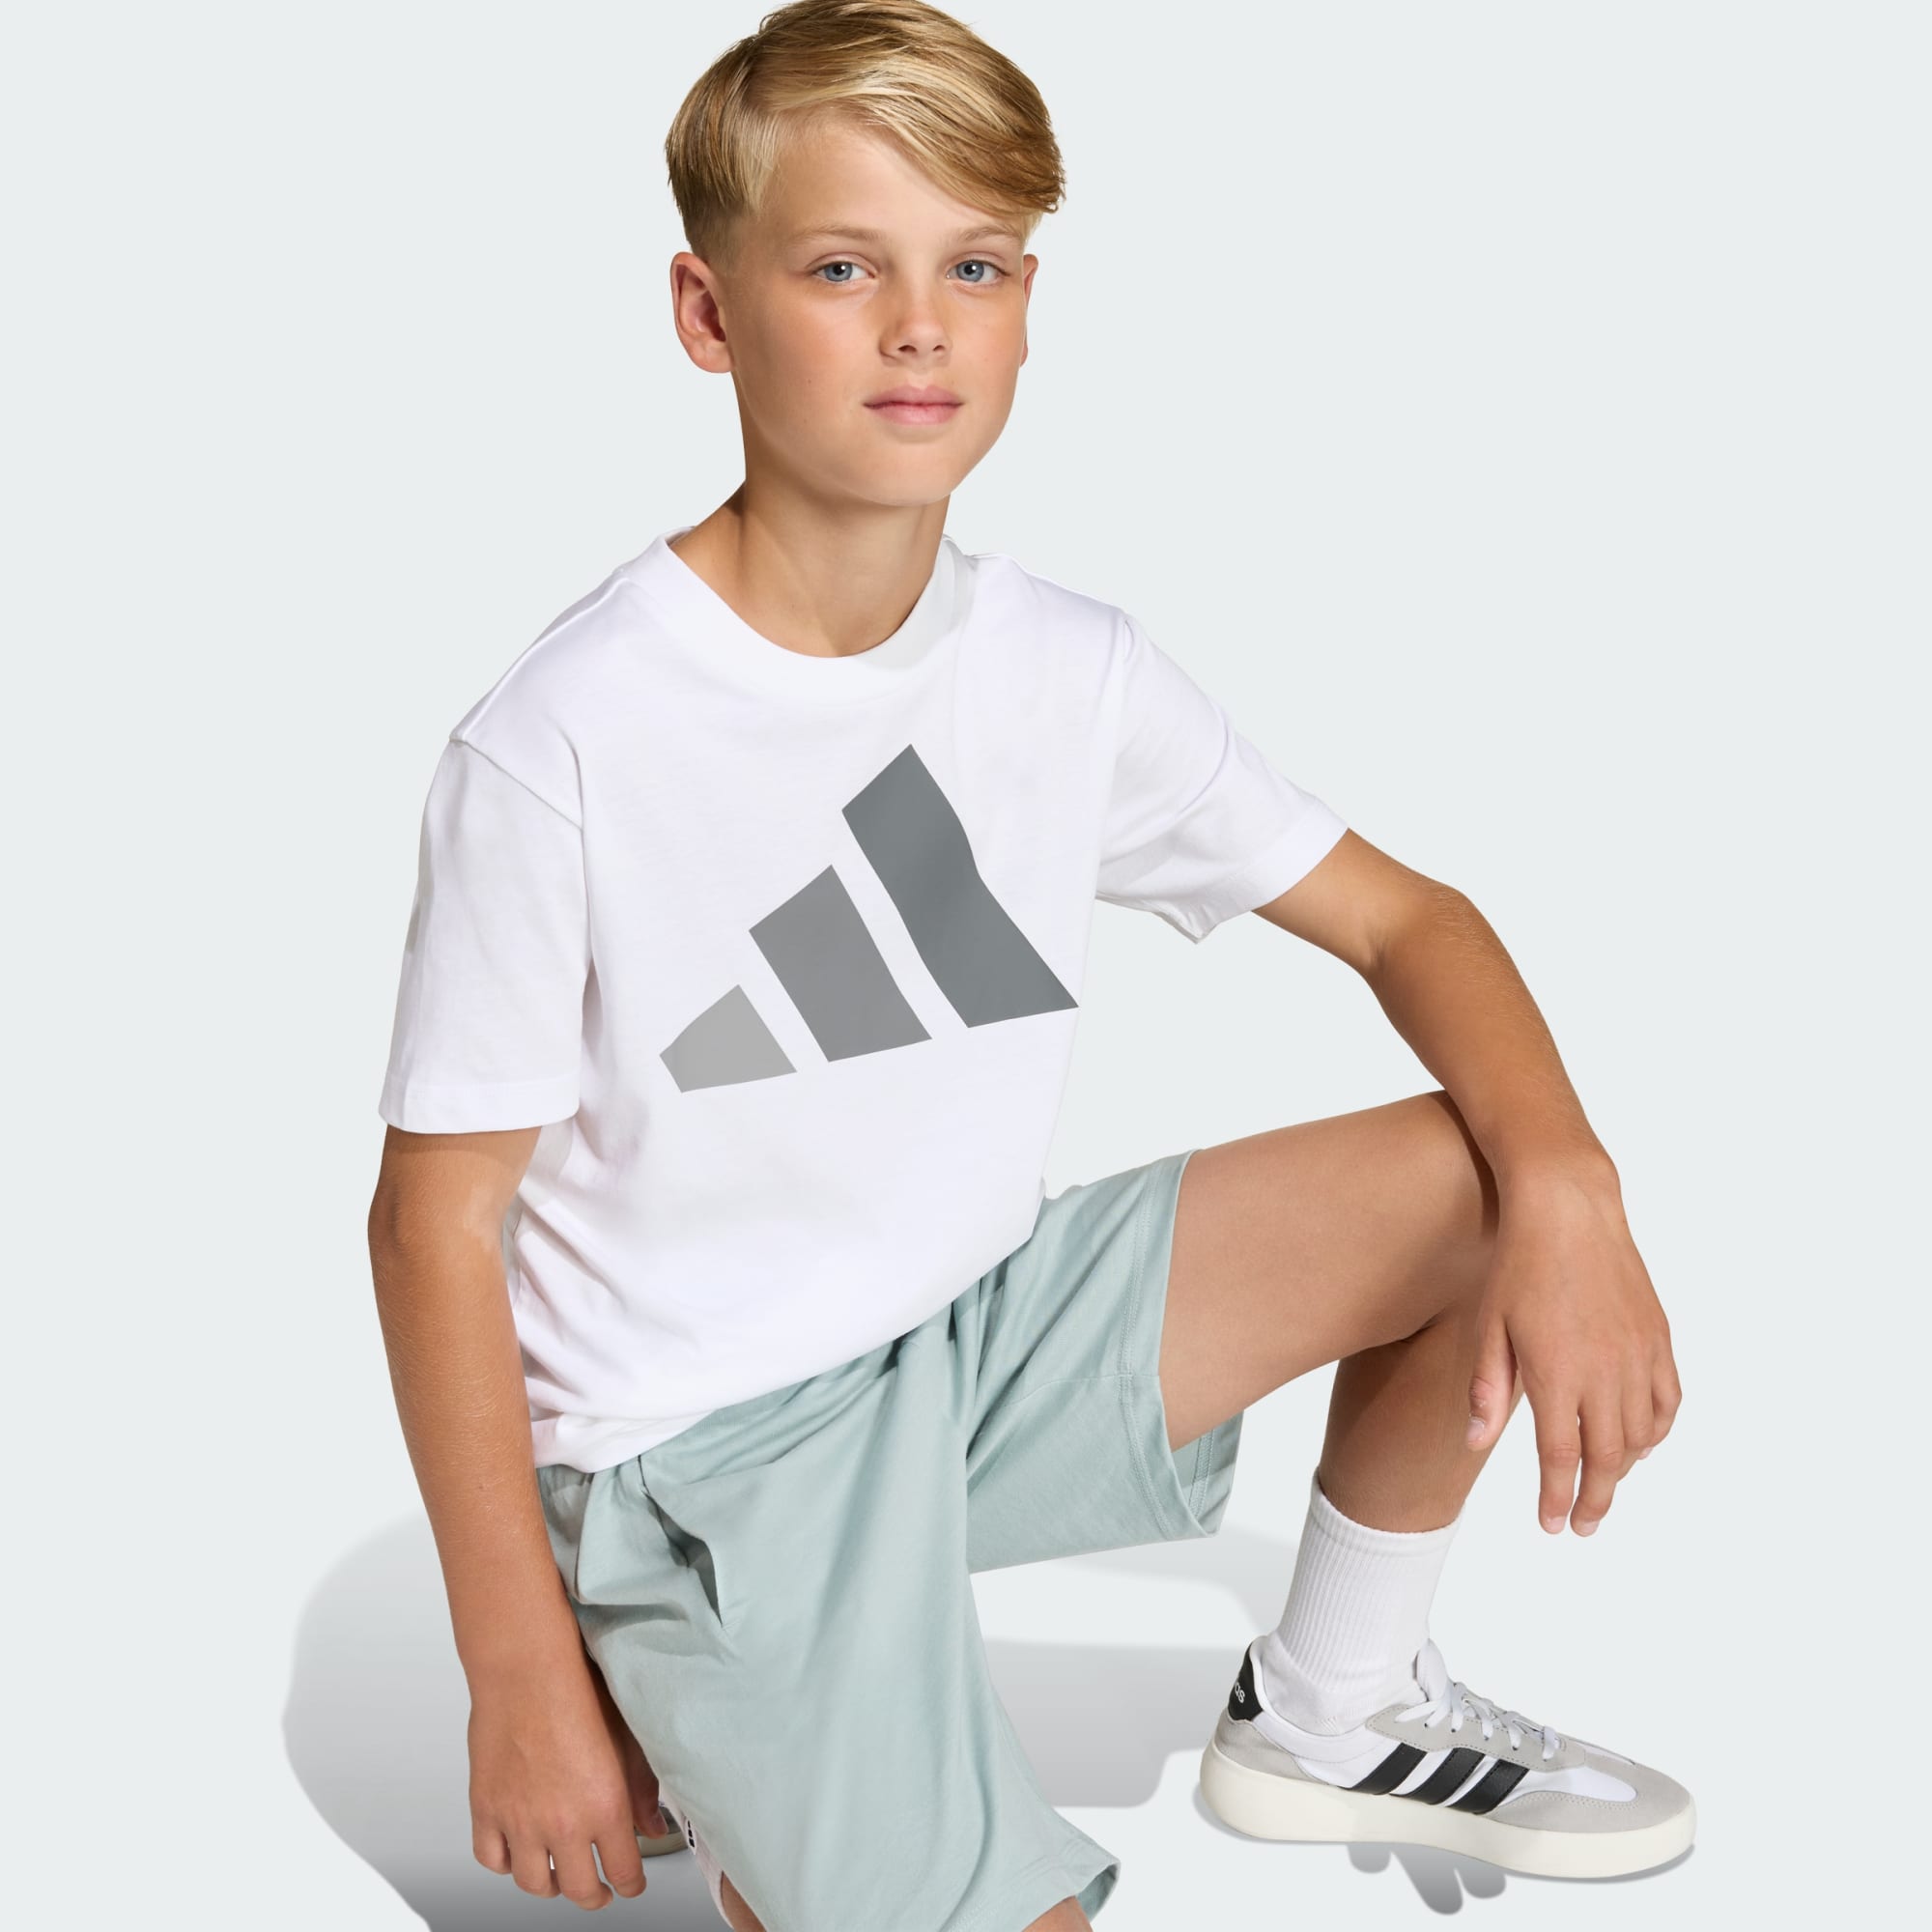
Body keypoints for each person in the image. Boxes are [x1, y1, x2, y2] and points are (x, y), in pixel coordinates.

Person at [365, 4, 1692, 1926]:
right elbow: (432, 1224)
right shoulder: (567, 737)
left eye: (972, 269)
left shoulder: (1067, 671)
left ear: (1024, 307)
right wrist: (514, 1674)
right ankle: (703, 1684)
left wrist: (1572, 1183)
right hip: (708, 1457)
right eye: (844, 269)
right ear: (708, 313)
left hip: (966, 1339)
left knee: (1483, 1169)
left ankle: (1331, 1709)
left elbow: (1409, 920)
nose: (920, 327)